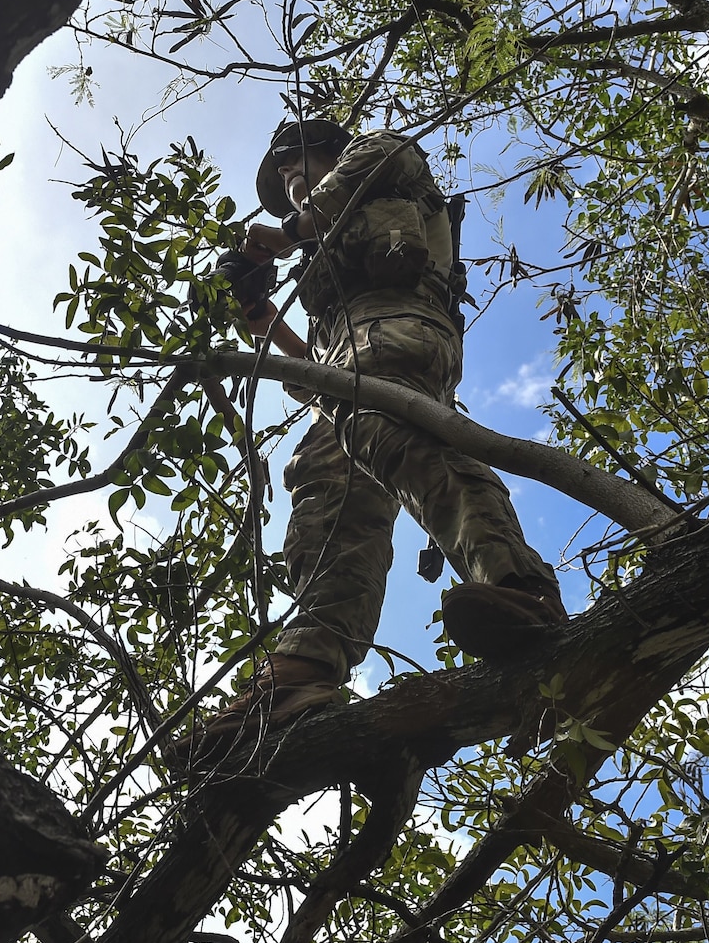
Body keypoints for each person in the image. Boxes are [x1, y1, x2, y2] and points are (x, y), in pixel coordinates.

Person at [189, 117, 565, 764]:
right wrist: (260, 316)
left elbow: (374, 163)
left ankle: (523, 593)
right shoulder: (319, 242)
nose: (290, 185)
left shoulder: (376, 154)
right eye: (282, 181)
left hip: (398, 338)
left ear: (323, 151)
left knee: (407, 443)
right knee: (324, 495)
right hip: (346, 373)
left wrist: (274, 241)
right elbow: (313, 368)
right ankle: (304, 669)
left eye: (293, 169)